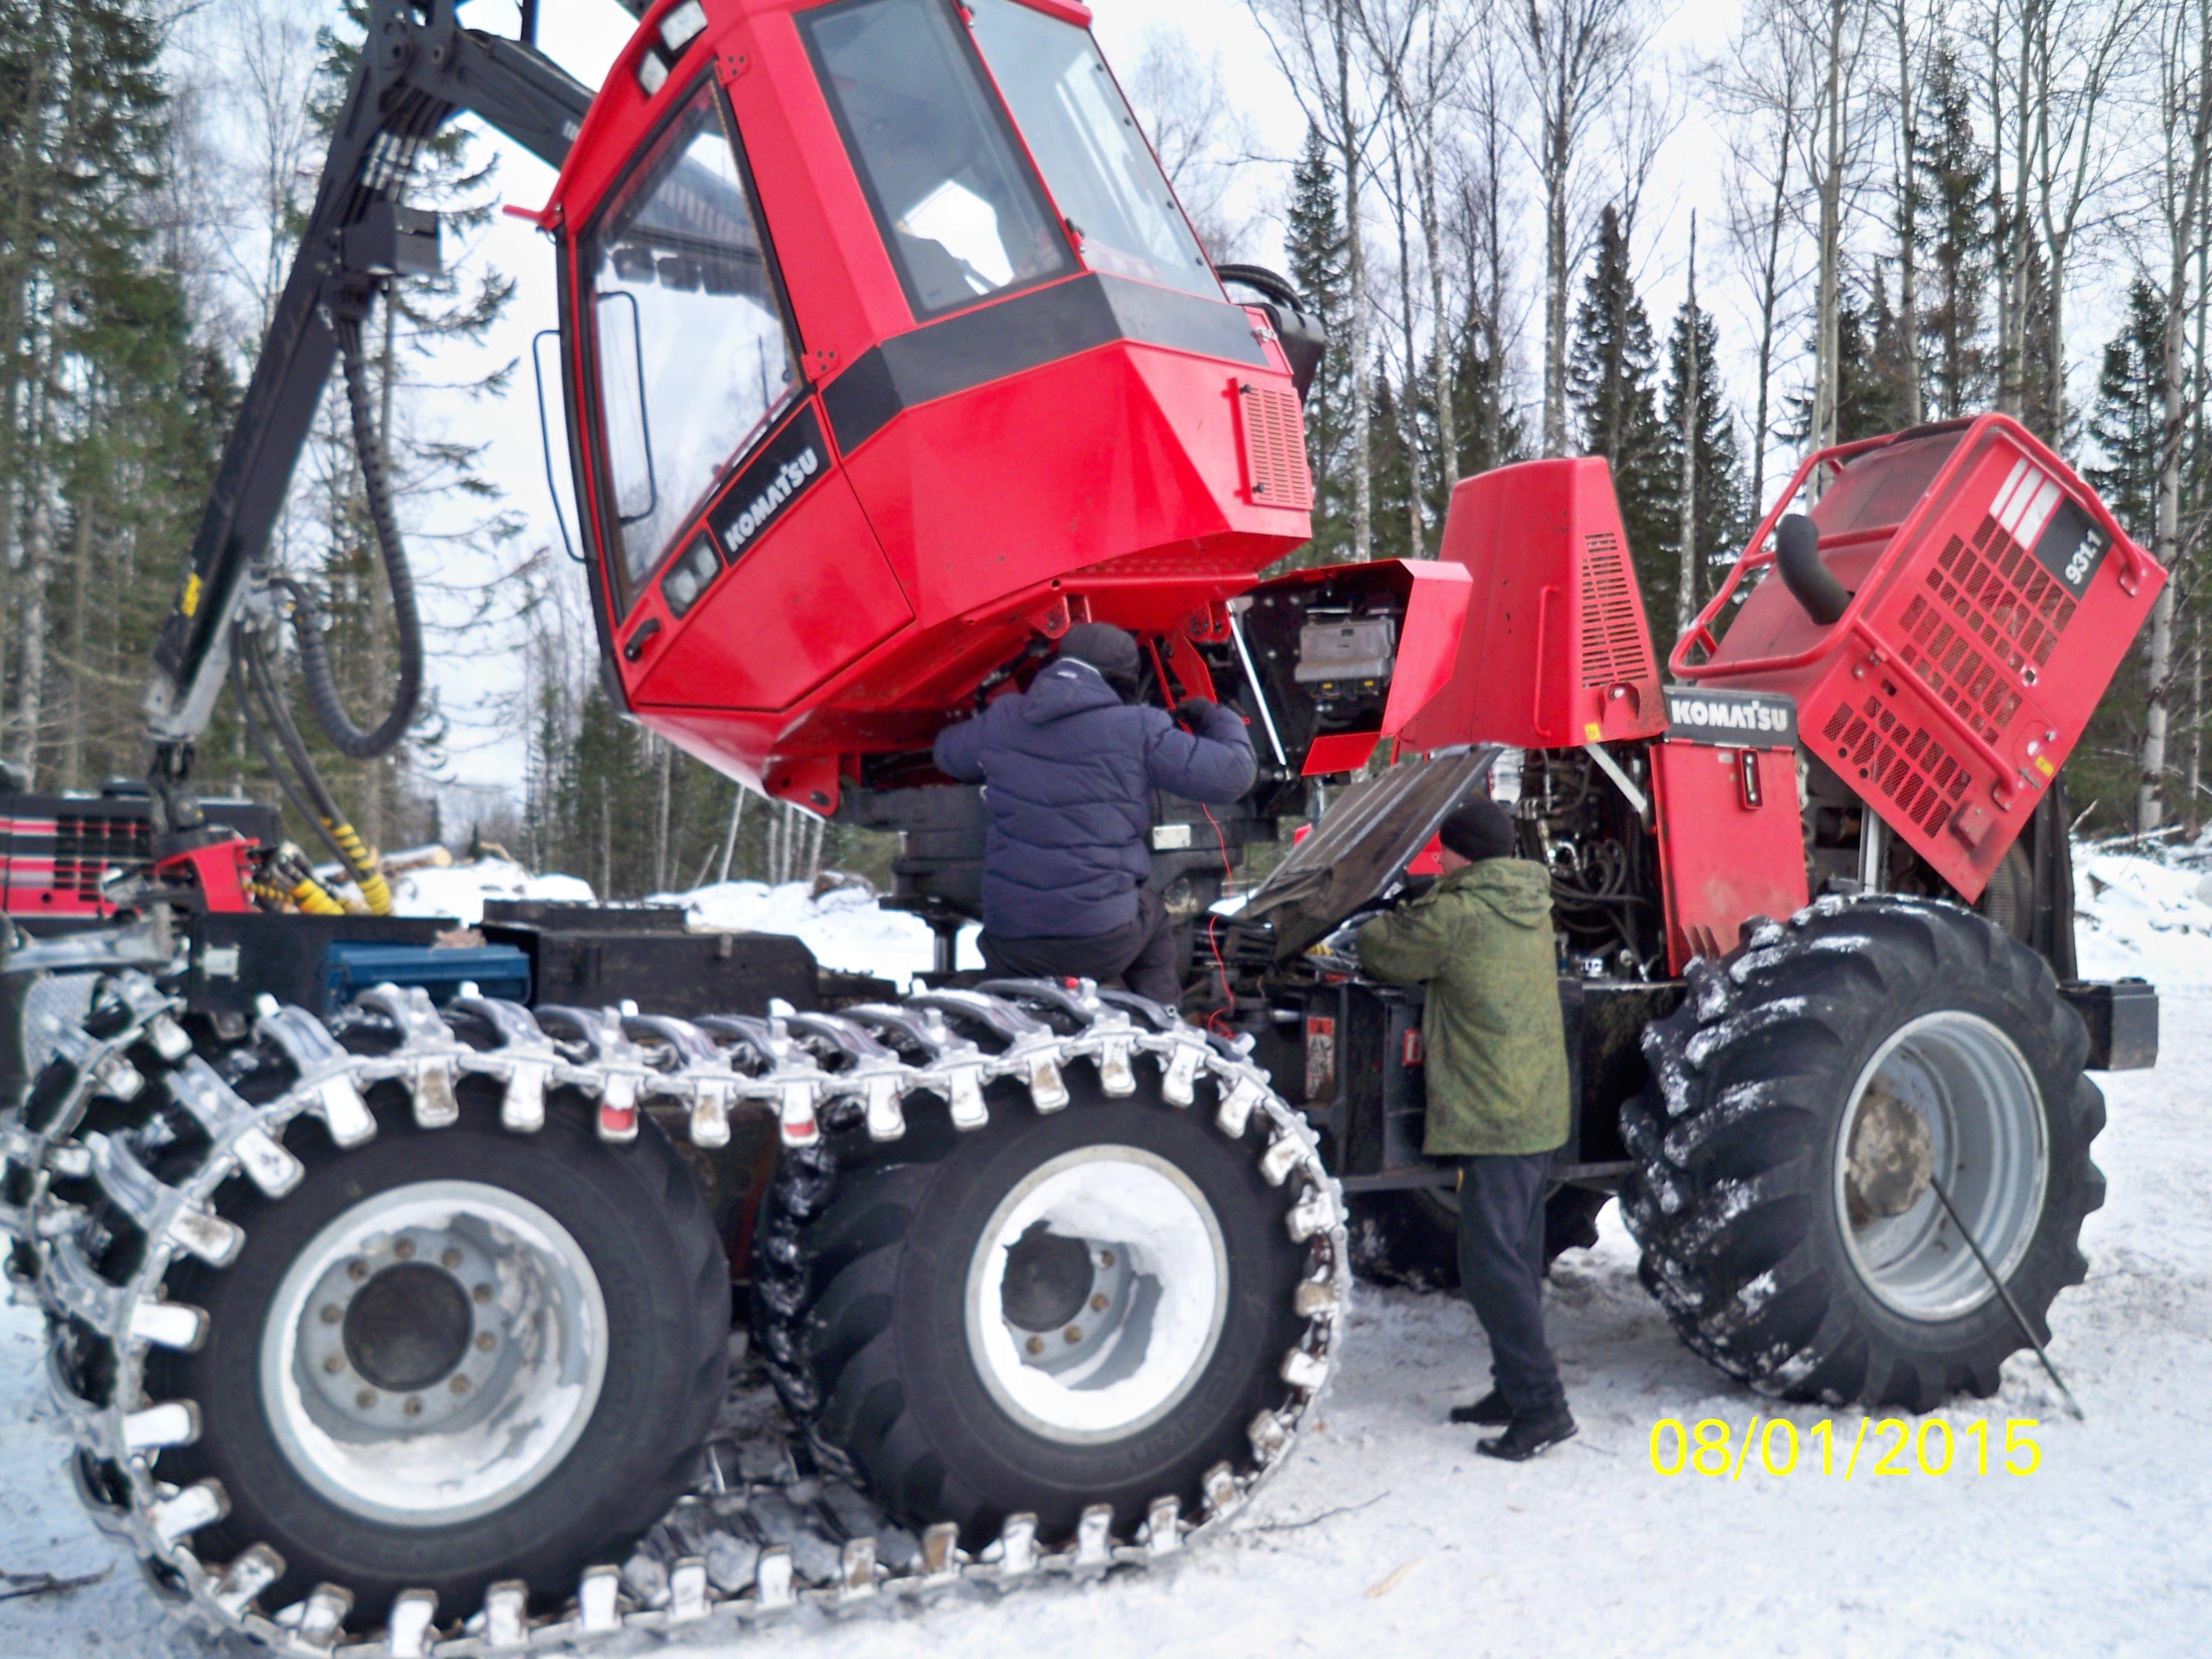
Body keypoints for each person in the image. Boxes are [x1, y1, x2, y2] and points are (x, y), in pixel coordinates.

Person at [1356, 794, 1576, 1462]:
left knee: (1490, 1269)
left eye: (1444, 848)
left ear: (1458, 853)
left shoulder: (1457, 914)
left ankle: (1543, 1409)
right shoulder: (1526, 900)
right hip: (1533, 1107)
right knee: (1515, 1259)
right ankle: (1513, 1390)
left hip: (1496, 1114)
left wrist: (1400, 906)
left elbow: (1382, 951)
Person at [932, 622, 1255, 1005]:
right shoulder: (1137, 727)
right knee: (1153, 913)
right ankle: (1161, 1023)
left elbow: (947, 755)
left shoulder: (1005, 719)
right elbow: (1235, 774)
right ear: (1123, 682)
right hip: (1101, 943)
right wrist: (1216, 718)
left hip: (1010, 944)